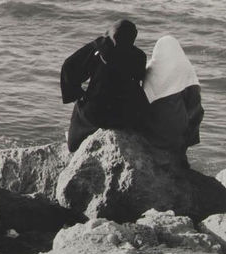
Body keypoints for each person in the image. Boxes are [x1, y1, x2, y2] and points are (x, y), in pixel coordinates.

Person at [60, 19, 149, 152]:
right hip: (123, 115)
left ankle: (75, 142)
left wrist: (77, 94)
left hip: (96, 112)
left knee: (81, 112)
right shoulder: (139, 56)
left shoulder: (98, 48)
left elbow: (69, 66)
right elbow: (139, 78)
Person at [140, 35, 204, 166]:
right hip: (175, 135)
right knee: (196, 111)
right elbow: (194, 105)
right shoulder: (185, 69)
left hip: (151, 131)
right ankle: (181, 151)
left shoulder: (149, 69)